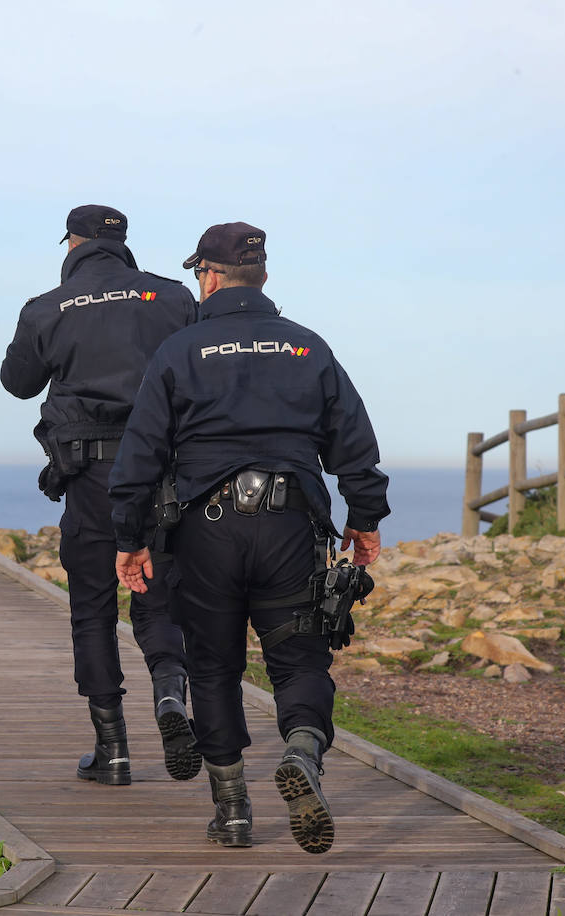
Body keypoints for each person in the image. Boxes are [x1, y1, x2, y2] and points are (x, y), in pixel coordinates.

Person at [109, 222, 389, 854]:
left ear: (208, 276)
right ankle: (302, 753)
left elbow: (142, 452)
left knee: (213, 667)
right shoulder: (307, 348)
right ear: (262, 277)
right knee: (301, 660)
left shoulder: (181, 351)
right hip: (291, 526)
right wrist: (365, 520)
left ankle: (232, 811)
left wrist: (130, 537)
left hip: (207, 532)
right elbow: (354, 443)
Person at [0, 205, 201, 786]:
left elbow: (18, 384)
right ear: (123, 244)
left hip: (88, 477)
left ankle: (111, 750)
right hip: (163, 475)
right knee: (158, 598)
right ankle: (169, 697)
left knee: (91, 606)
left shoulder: (46, 307)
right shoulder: (171, 298)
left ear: (73, 243)